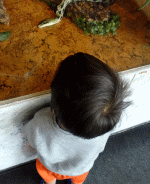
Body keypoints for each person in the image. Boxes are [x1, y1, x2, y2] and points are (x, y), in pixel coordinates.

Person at [24, 52, 132, 184]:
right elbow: (100, 148)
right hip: (80, 170)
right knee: (78, 181)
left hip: (50, 167)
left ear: (53, 106)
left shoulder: (41, 121)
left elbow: (31, 138)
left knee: (47, 176)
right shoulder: (103, 125)